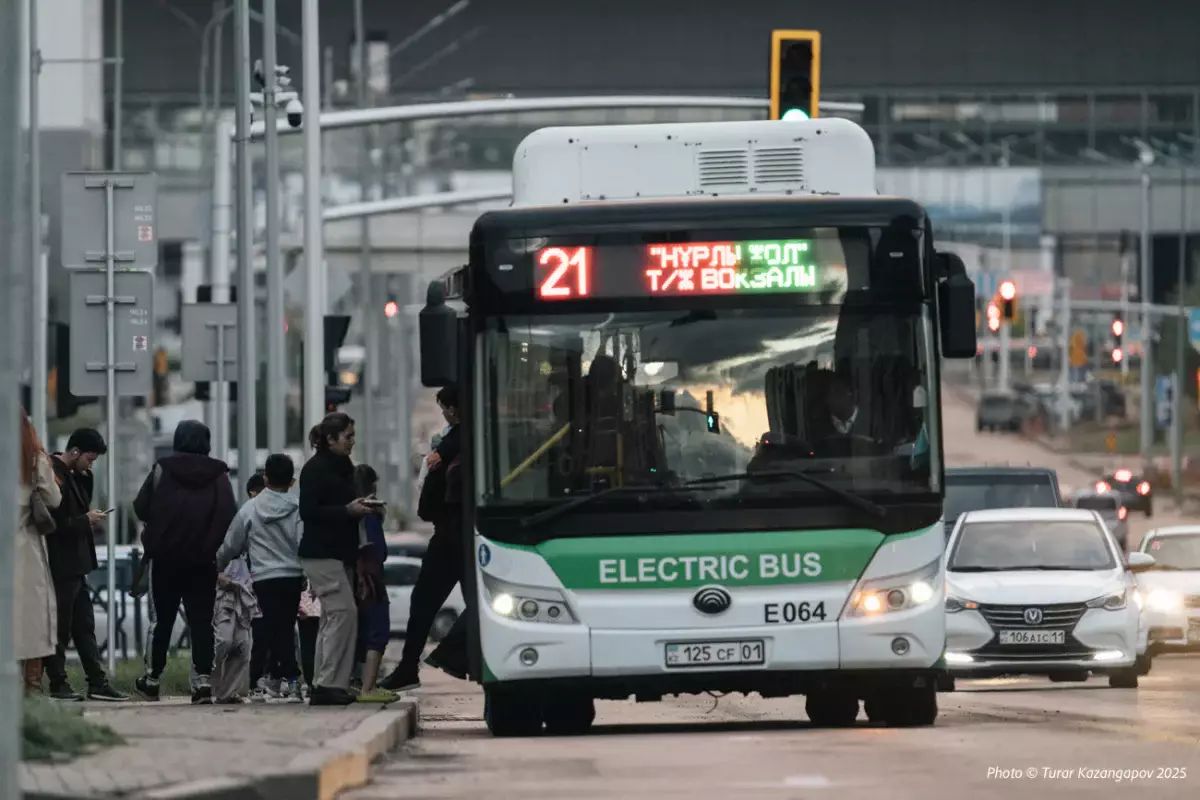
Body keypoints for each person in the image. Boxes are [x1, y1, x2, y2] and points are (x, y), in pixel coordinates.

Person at [132, 420, 237, 704]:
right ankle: (202, 682)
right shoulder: (219, 475)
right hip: (203, 562)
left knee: (161, 621)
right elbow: (229, 514)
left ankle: (152, 679)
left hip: (164, 560)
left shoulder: (162, 469)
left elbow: (140, 506)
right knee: (202, 621)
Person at [381, 385, 463, 692]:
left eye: (444, 409)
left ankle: (423, 663)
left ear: (453, 409)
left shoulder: (450, 446)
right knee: (426, 602)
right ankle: (411, 666)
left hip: (453, 536)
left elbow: (431, 498)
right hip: (455, 535)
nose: (443, 414)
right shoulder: (455, 442)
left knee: (425, 603)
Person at [299, 413, 381, 706]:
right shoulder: (315, 469)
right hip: (322, 554)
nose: (352, 441)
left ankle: (324, 682)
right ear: (331, 439)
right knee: (343, 613)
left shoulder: (343, 467)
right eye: (348, 436)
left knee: (333, 618)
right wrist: (347, 511)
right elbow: (309, 511)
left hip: (339, 554)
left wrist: (361, 506)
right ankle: (328, 684)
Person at [43, 429, 127, 701]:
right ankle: (58, 683)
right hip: (61, 564)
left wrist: (85, 475)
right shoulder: (52, 475)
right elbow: (52, 525)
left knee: (84, 627)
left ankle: (97, 682)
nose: (91, 465)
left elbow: (82, 503)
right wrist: (85, 521)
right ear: (75, 451)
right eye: (89, 459)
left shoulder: (75, 475)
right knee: (60, 628)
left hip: (77, 566)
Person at [217, 454, 304, 702]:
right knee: (284, 627)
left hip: (264, 578)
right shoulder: (299, 508)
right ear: (292, 481)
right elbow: (303, 542)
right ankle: (280, 678)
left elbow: (231, 543)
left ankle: (291, 679)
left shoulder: (251, 508)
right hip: (293, 576)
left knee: (277, 629)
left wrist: (218, 564)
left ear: (265, 479)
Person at [15, 410, 62, 694]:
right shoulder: (33, 458)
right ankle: (31, 685)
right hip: (24, 547)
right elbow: (54, 499)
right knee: (30, 617)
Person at [352, 464, 396, 703]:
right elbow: (378, 551)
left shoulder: (348, 512)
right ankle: (369, 687)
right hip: (371, 582)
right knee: (378, 631)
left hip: (354, 581)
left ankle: (354, 682)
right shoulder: (369, 515)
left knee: (357, 633)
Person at [211, 555, 259, 704]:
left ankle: (227, 693)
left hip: (243, 592)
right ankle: (203, 684)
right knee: (222, 642)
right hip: (221, 594)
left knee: (242, 647)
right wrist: (215, 575)